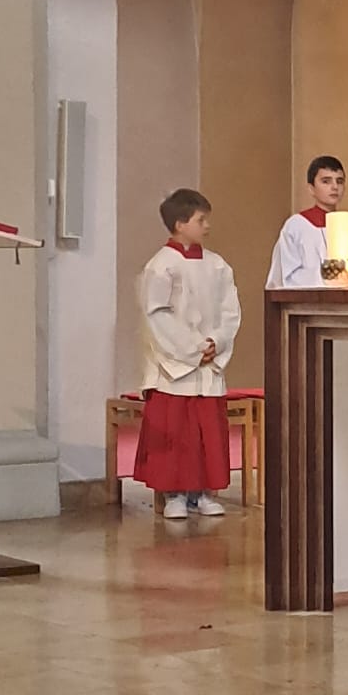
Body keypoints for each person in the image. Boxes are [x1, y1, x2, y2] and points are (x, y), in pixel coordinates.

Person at [134, 187, 242, 520]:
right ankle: (175, 494)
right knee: (177, 431)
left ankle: (203, 492)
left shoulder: (217, 265)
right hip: (176, 363)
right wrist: (193, 348)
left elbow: (230, 309)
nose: (207, 226)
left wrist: (216, 342)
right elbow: (157, 315)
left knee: (206, 431)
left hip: (208, 359)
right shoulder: (161, 266)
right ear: (180, 224)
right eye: (201, 220)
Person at [266, 155, 348, 288]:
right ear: (311, 188)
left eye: (339, 181)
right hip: (307, 299)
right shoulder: (296, 226)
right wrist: (331, 278)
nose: (335, 187)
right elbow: (288, 275)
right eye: (326, 181)